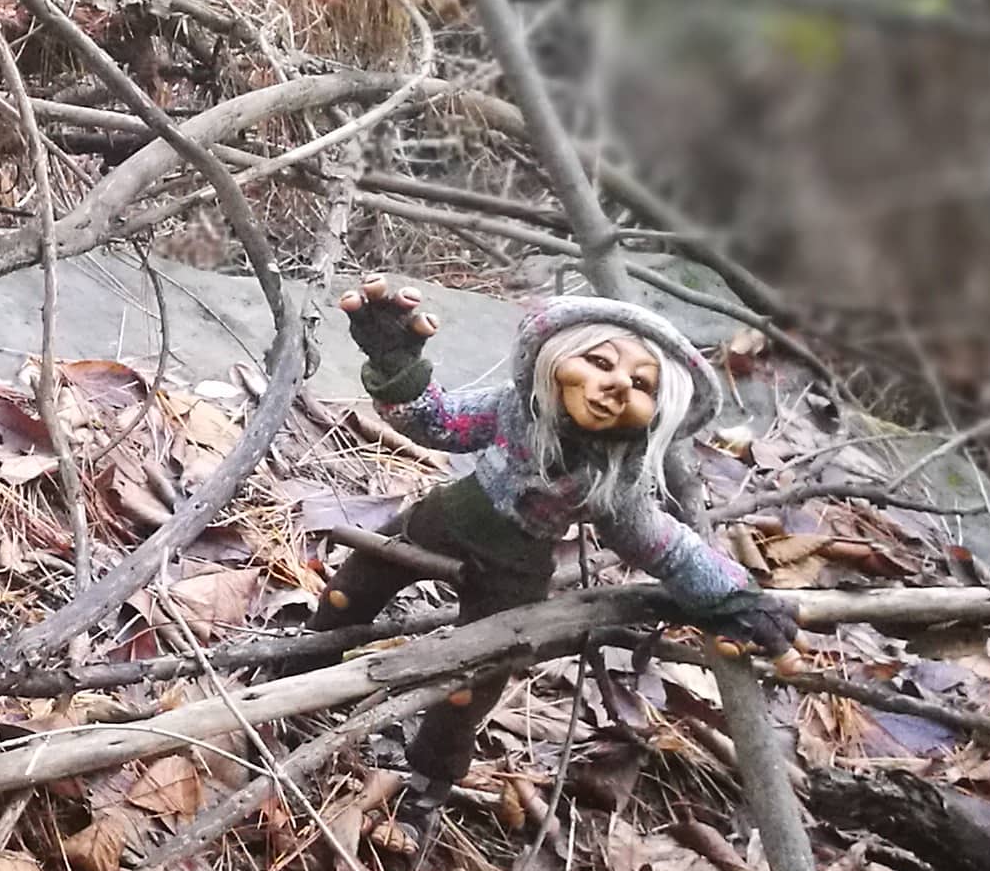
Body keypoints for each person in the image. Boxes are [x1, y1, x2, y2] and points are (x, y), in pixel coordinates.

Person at [322, 285, 793, 797]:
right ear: (556, 359)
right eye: (599, 361)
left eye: (641, 384)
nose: (615, 386)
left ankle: (429, 781)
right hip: (438, 522)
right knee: (350, 589)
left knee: (471, 685)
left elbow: (660, 543)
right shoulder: (513, 409)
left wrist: (735, 596)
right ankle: (301, 667)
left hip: (514, 572)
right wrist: (395, 362)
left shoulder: (616, 481)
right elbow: (437, 423)